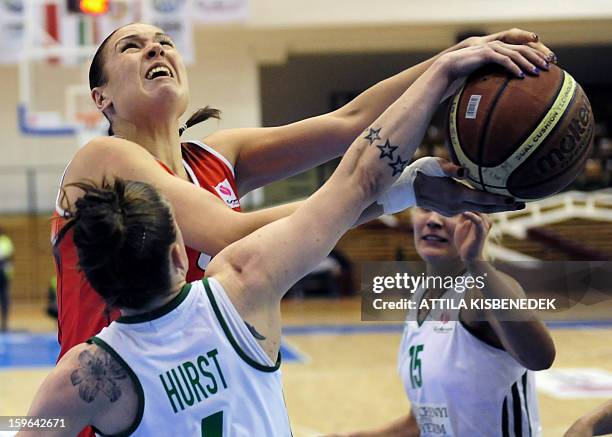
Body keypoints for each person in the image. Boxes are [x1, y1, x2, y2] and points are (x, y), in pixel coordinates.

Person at [23, 39, 543, 436]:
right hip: (113, 404)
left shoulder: (216, 157)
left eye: (163, 39)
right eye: (131, 46)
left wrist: (458, 61)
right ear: (101, 97)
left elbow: (353, 121)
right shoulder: (102, 158)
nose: (155, 47)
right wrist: (403, 189)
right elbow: (233, 233)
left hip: (213, 388)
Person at [335, 208, 556, 437]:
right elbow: (421, 423)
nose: (433, 220)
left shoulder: (479, 291)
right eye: (425, 206)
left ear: (479, 219)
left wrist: (476, 262)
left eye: (451, 209)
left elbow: (540, 357)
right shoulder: (420, 297)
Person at [0, 226, 14, 332]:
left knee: (4, 298)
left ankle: (5, 323)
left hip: (3, 274)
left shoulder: (5, 241)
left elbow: (10, 257)